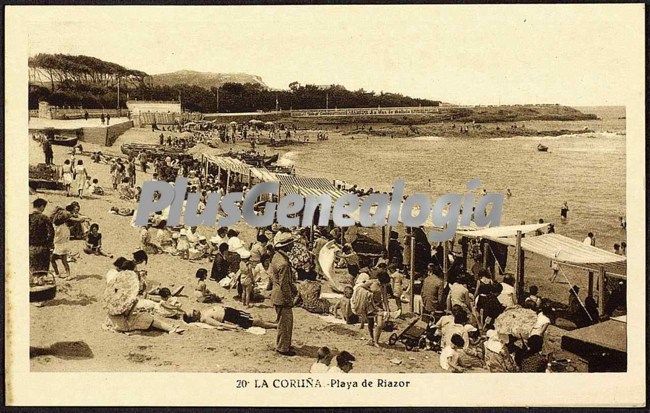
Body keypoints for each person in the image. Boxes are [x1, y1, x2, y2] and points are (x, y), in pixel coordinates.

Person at [269, 232, 298, 356]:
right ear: (286, 245)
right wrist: (289, 299)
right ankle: (283, 348)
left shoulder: (276, 257)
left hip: (276, 294)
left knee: (283, 323)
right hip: (282, 296)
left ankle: (283, 344)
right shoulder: (284, 263)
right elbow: (284, 284)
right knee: (285, 324)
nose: (292, 245)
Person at [182, 306, 276, 330]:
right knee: (256, 321)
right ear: (193, 319)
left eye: (193, 310)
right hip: (230, 317)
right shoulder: (205, 318)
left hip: (230, 312)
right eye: (193, 313)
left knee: (252, 317)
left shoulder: (203, 312)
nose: (195, 310)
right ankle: (275, 326)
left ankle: (273, 323)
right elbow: (219, 324)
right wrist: (234, 327)